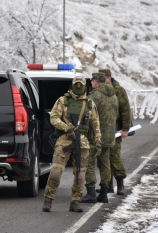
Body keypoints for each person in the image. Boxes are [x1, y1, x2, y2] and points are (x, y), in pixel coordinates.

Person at [42, 76, 102, 212]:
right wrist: (66, 128)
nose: (79, 86)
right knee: (56, 172)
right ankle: (48, 200)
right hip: (64, 140)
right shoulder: (63, 101)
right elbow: (54, 117)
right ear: (73, 85)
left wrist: (98, 141)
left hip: (83, 141)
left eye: (81, 84)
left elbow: (96, 124)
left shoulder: (90, 104)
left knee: (80, 174)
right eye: (77, 84)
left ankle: (75, 201)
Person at [80, 71, 118, 203]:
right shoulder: (113, 96)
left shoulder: (94, 96)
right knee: (105, 164)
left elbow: (86, 115)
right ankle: (103, 193)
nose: (91, 84)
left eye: (92, 82)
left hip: (94, 136)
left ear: (95, 82)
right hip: (109, 136)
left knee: (89, 163)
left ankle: (90, 193)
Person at [97, 68, 131, 195]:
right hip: (101, 129)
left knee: (114, 156)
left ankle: (120, 184)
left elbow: (126, 110)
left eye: (103, 78)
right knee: (102, 158)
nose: (102, 81)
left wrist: (125, 129)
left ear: (109, 78)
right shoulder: (99, 90)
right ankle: (107, 185)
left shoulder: (118, 90)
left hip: (115, 128)